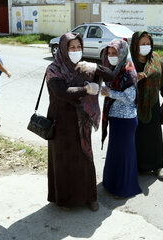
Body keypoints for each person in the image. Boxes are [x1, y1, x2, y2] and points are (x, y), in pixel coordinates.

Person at [45, 32, 114, 211]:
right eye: (71, 47)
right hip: (60, 122)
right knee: (63, 160)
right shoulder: (54, 69)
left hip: (81, 122)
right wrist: (85, 89)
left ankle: (90, 197)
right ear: (62, 49)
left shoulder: (84, 67)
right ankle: (65, 200)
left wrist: (95, 67)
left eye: (79, 47)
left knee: (85, 158)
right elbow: (62, 92)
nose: (76, 51)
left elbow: (111, 76)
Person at [99, 39, 142, 198]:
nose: (111, 56)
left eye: (114, 53)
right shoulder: (114, 69)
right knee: (115, 153)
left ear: (122, 53)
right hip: (115, 118)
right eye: (109, 53)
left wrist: (110, 93)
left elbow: (130, 97)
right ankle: (111, 184)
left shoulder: (128, 71)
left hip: (126, 120)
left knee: (124, 155)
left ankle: (123, 188)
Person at [130, 31, 163, 181]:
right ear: (135, 45)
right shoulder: (129, 62)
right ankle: (137, 167)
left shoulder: (156, 60)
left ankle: (157, 166)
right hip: (133, 105)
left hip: (152, 103)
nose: (146, 47)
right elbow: (119, 82)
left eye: (148, 44)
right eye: (142, 44)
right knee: (137, 137)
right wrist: (135, 78)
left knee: (154, 136)